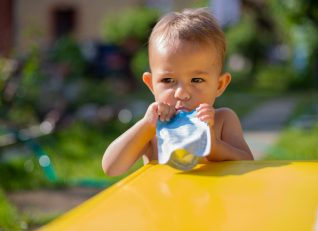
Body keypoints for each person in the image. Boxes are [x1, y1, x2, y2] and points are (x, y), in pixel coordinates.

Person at [102, 8, 254, 176]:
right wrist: (145, 126)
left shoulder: (223, 120)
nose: (181, 93)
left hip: (211, 202)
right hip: (162, 202)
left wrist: (213, 146)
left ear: (219, 85)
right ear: (151, 84)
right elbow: (111, 168)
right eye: (168, 80)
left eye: (196, 80)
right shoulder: (154, 130)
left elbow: (248, 163)